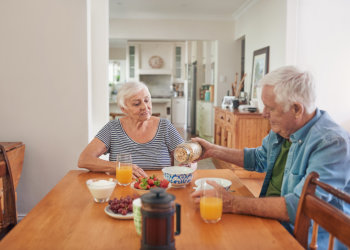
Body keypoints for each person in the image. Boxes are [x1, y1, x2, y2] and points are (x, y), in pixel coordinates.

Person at [191, 66, 350, 249]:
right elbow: (259, 158)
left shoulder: (332, 144)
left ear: (297, 109)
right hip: (272, 220)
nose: (264, 113)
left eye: (270, 107)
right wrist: (213, 150)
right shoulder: (284, 130)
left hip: (303, 239)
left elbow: (298, 206)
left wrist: (232, 203)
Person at [78, 81, 187, 178]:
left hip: (159, 190)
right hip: (123, 190)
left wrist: (189, 163)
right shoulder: (112, 128)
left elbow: (187, 157)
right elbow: (84, 160)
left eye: (147, 100)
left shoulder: (165, 126)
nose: (145, 107)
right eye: (136, 103)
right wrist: (121, 166)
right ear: (123, 109)